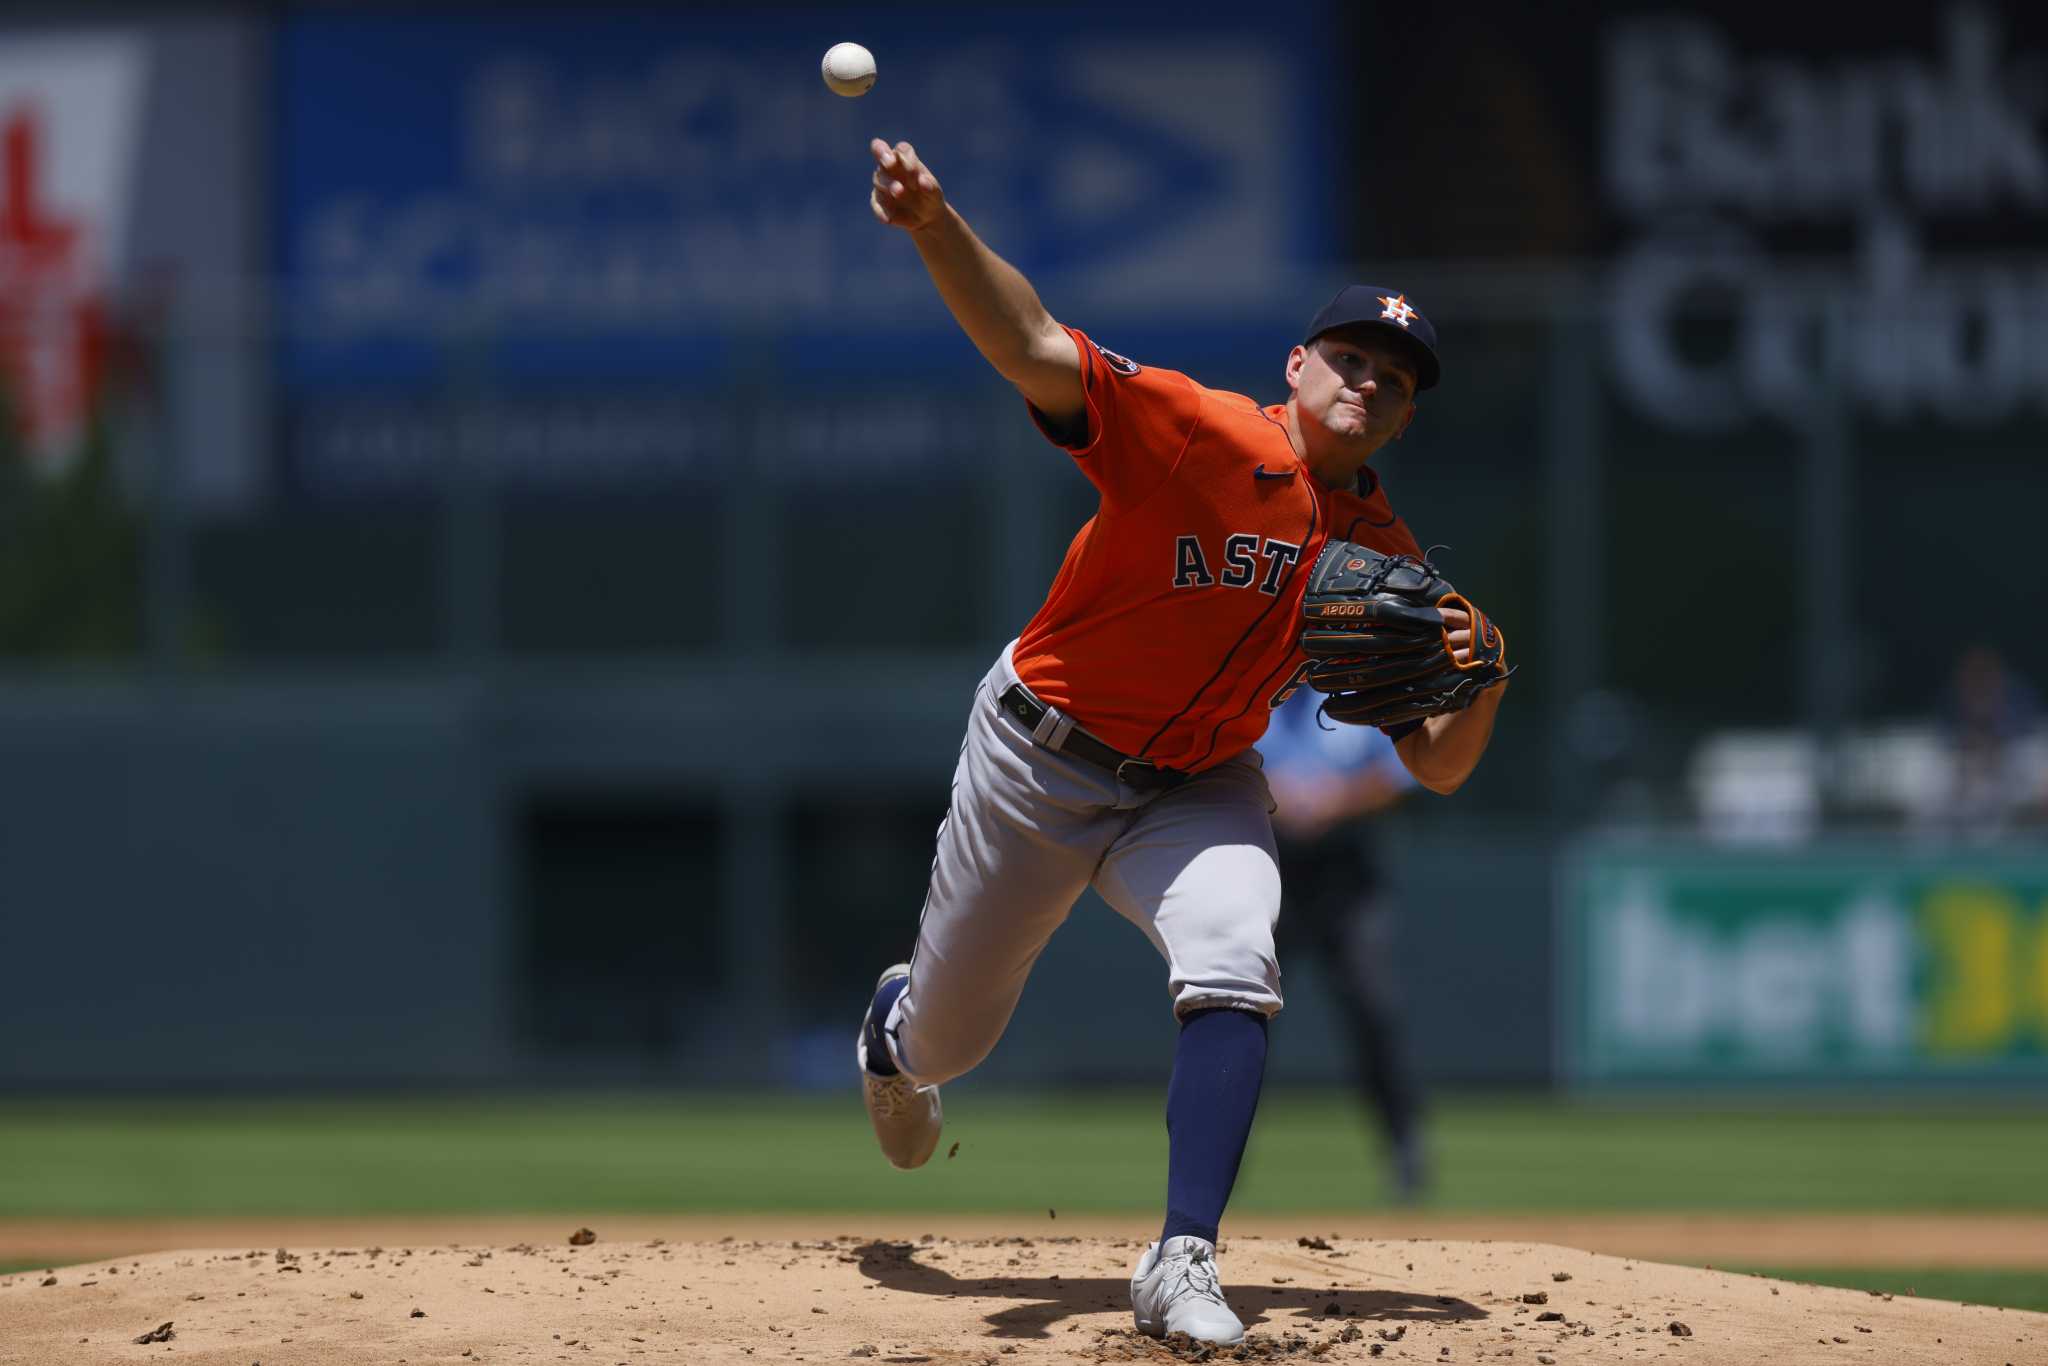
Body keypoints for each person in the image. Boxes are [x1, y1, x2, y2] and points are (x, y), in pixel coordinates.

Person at [851, 137, 1507, 1346]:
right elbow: (1035, 346)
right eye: (1349, 358)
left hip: (1198, 782)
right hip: (1039, 755)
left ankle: (1180, 1258)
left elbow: (1438, 762)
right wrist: (935, 225)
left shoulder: (1388, 560)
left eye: (1394, 380)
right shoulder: (1198, 434)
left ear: (1404, 415)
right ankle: (891, 1029)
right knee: (952, 1039)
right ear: (1297, 365)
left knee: (1233, 945)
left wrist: (1486, 680)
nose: (1368, 383)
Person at [1259, 688, 1429, 1203]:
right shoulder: (1251, 692)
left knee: (1373, 1010)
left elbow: (1403, 773)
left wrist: (1337, 799)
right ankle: (1215, 1156)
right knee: (1237, 1012)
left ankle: (1405, 1149)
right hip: (1267, 871)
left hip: (1346, 875)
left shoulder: (1356, 695)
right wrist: (1273, 794)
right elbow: (1215, 763)